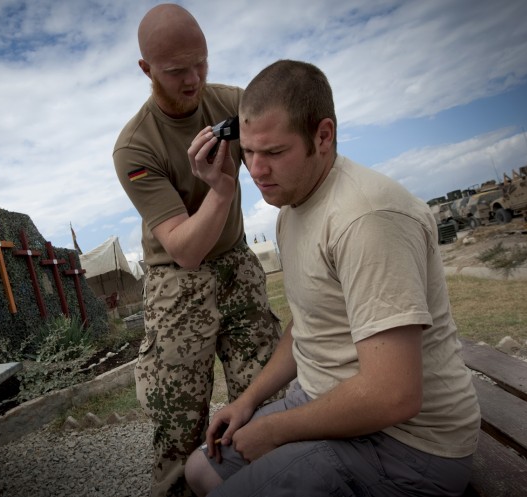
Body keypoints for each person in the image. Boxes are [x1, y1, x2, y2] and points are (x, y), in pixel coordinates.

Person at [184, 59, 481, 497]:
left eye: (274, 153)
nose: (256, 170)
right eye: (248, 152)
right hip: (331, 399)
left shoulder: (366, 217)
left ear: (323, 136)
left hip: (411, 445)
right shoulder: (293, 208)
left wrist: (277, 430)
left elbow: (395, 394)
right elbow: (308, 324)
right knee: (199, 470)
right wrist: (246, 401)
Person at [112, 5, 282, 497]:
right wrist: (223, 191)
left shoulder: (234, 103)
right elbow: (184, 249)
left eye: (201, 63)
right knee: (178, 422)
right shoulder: (135, 147)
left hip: (236, 265)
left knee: (267, 399)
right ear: (146, 70)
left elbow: (284, 144)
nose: (194, 79)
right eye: (176, 70)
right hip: (176, 281)